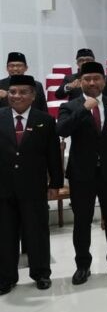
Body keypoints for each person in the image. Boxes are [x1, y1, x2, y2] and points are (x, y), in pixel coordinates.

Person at [56, 61, 107, 285]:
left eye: (96, 78)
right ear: (80, 82)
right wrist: (84, 108)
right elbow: (62, 130)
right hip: (82, 175)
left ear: (104, 81)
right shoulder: (70, 107)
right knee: (82, 221)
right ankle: (82, 265)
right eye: (87, 79)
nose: (92, 82)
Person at [0, 75, 62, 294]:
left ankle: (41, 273)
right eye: (13, 92)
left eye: (23, 92)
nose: (17, 96)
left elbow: (53, 155)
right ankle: (6, 277)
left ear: (33, 95)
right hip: (3, 188)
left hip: (34, 187)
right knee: (5, 234)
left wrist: (55, 183)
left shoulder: (44, 120)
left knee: (37, 232)